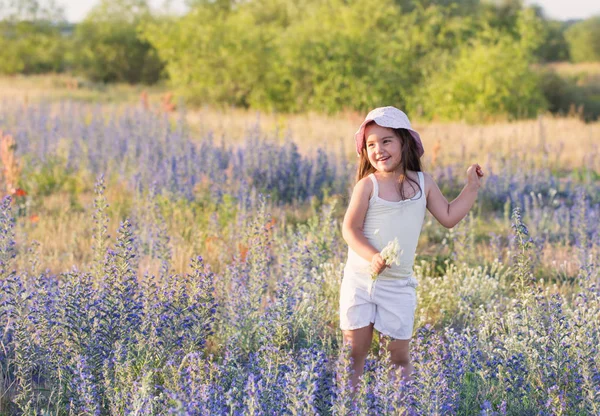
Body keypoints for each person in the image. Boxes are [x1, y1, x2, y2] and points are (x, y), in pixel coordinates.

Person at [339, 106, 484, 393]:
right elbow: (350, 229)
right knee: (355, 353)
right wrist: (373, 256)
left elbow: (449, 216)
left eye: (386, 141)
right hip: (361, 280)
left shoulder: (423, 183)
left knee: (398, 357)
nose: (378, 149)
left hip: (398, 285)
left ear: (404, 142)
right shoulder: (368, 186)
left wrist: (471, 187)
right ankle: (348, 405)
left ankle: (399, 406)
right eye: (370, 144)